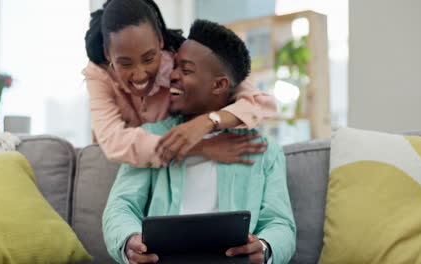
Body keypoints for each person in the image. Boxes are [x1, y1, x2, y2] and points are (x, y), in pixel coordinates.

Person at [103, 19, 296, 264]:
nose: (171, 76)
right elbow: (121, 206)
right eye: (173, 67)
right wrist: (128, 240)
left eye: (186, 70)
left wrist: (265, 247)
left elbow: (281, 223)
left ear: (219, 85)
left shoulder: (264, 151)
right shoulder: (150, 138)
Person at [83, 0, 277, 168]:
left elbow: (262, 104)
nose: (140, 75)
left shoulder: (179, 63)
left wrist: (207, 122)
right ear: (108, 54)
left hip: (172, 165)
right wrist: (200, 147)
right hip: (127, 165)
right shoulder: (99, 75)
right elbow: (115, 143)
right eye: (125, 63)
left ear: (159, 41)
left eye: (149, 58)